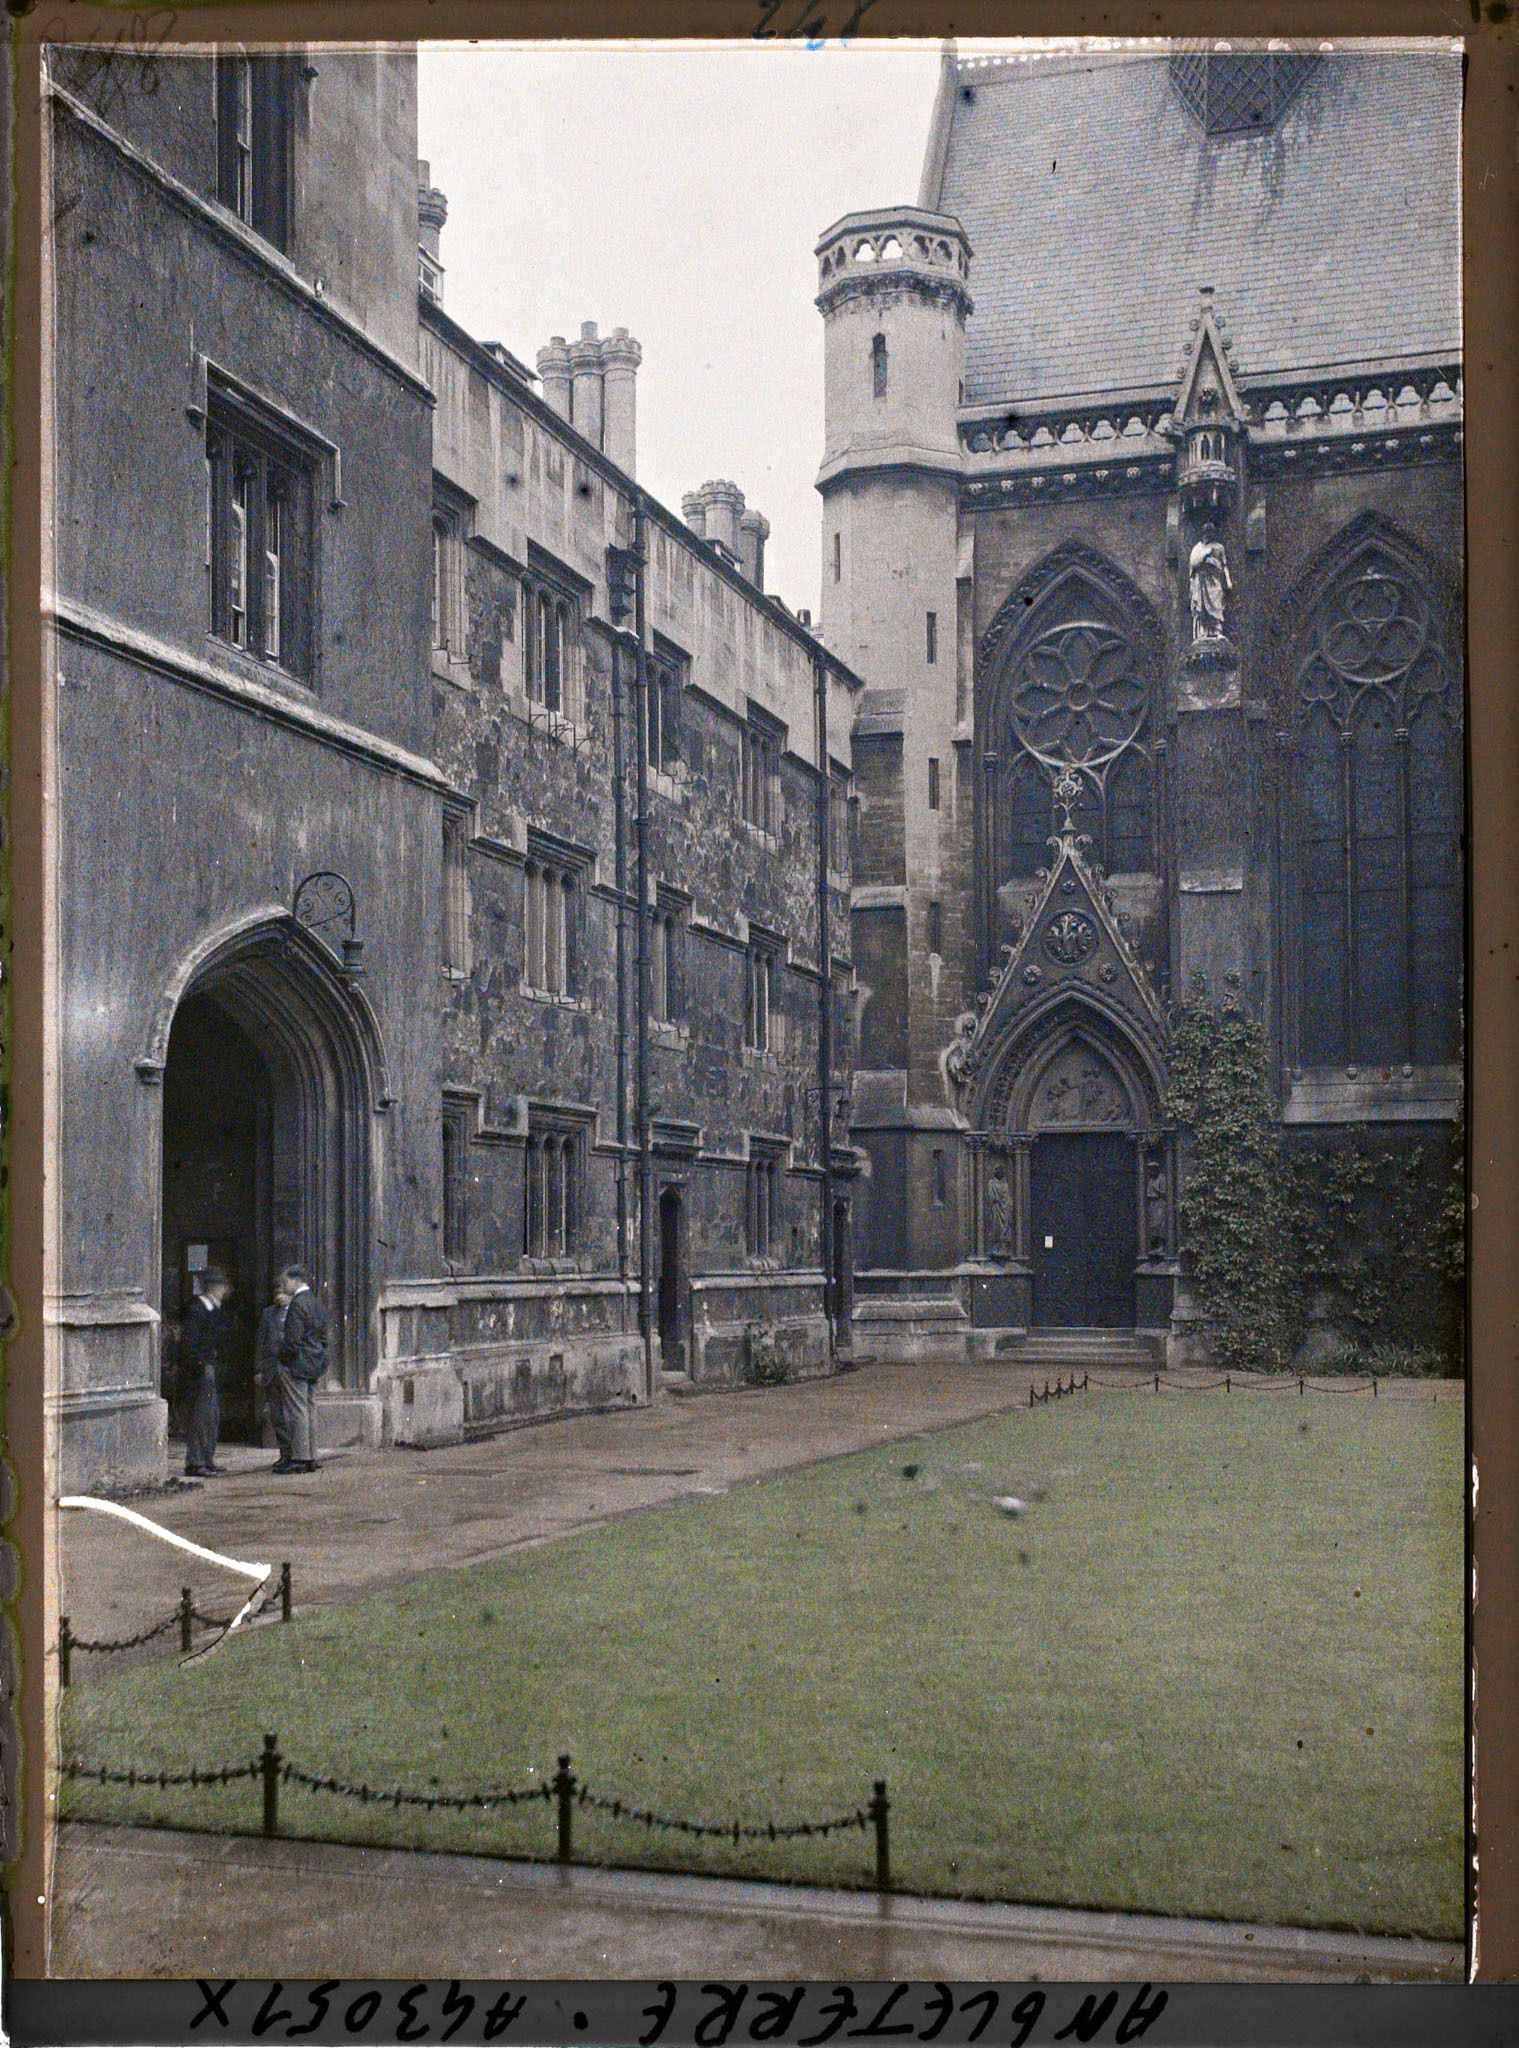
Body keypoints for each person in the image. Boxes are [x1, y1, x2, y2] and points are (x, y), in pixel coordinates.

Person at [273, 1263, 327, 1475]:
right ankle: (311, 1456)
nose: (284, 1285)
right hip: (314, 1362)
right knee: (309, 1409)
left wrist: (283, 1358)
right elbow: (323, 1338)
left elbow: (292, 1341)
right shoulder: (315, 1302)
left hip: (296, 1364)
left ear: (296, 1280)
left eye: (286, 1281)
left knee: (297, 1411)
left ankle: (300, 1458)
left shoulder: (297, 1304)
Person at [180, 1266, 233, 1478]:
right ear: (212, 1287)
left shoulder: (213, 1309)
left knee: (211, 1417)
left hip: (209, 1368)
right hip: (201, 1370)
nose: (224, 1290)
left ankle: (207, 1459)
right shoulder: (197, 1309)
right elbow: (191, 1344)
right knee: (201, 1417)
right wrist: (201, 1365)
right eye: (221, 1286)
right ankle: (196, 1461)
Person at [255, 1274, 294, 1469]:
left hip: (291, 1370)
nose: (279, 1296)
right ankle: (285, 1453)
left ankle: (297, 1453)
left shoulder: (296, 1312)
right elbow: (260, 1343)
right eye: (276, 1292)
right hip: (271, 1371)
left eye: (283, 1293)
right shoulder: (268, 1314)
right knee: (277, 1415)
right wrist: (259, 1369)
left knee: (292, 1413)